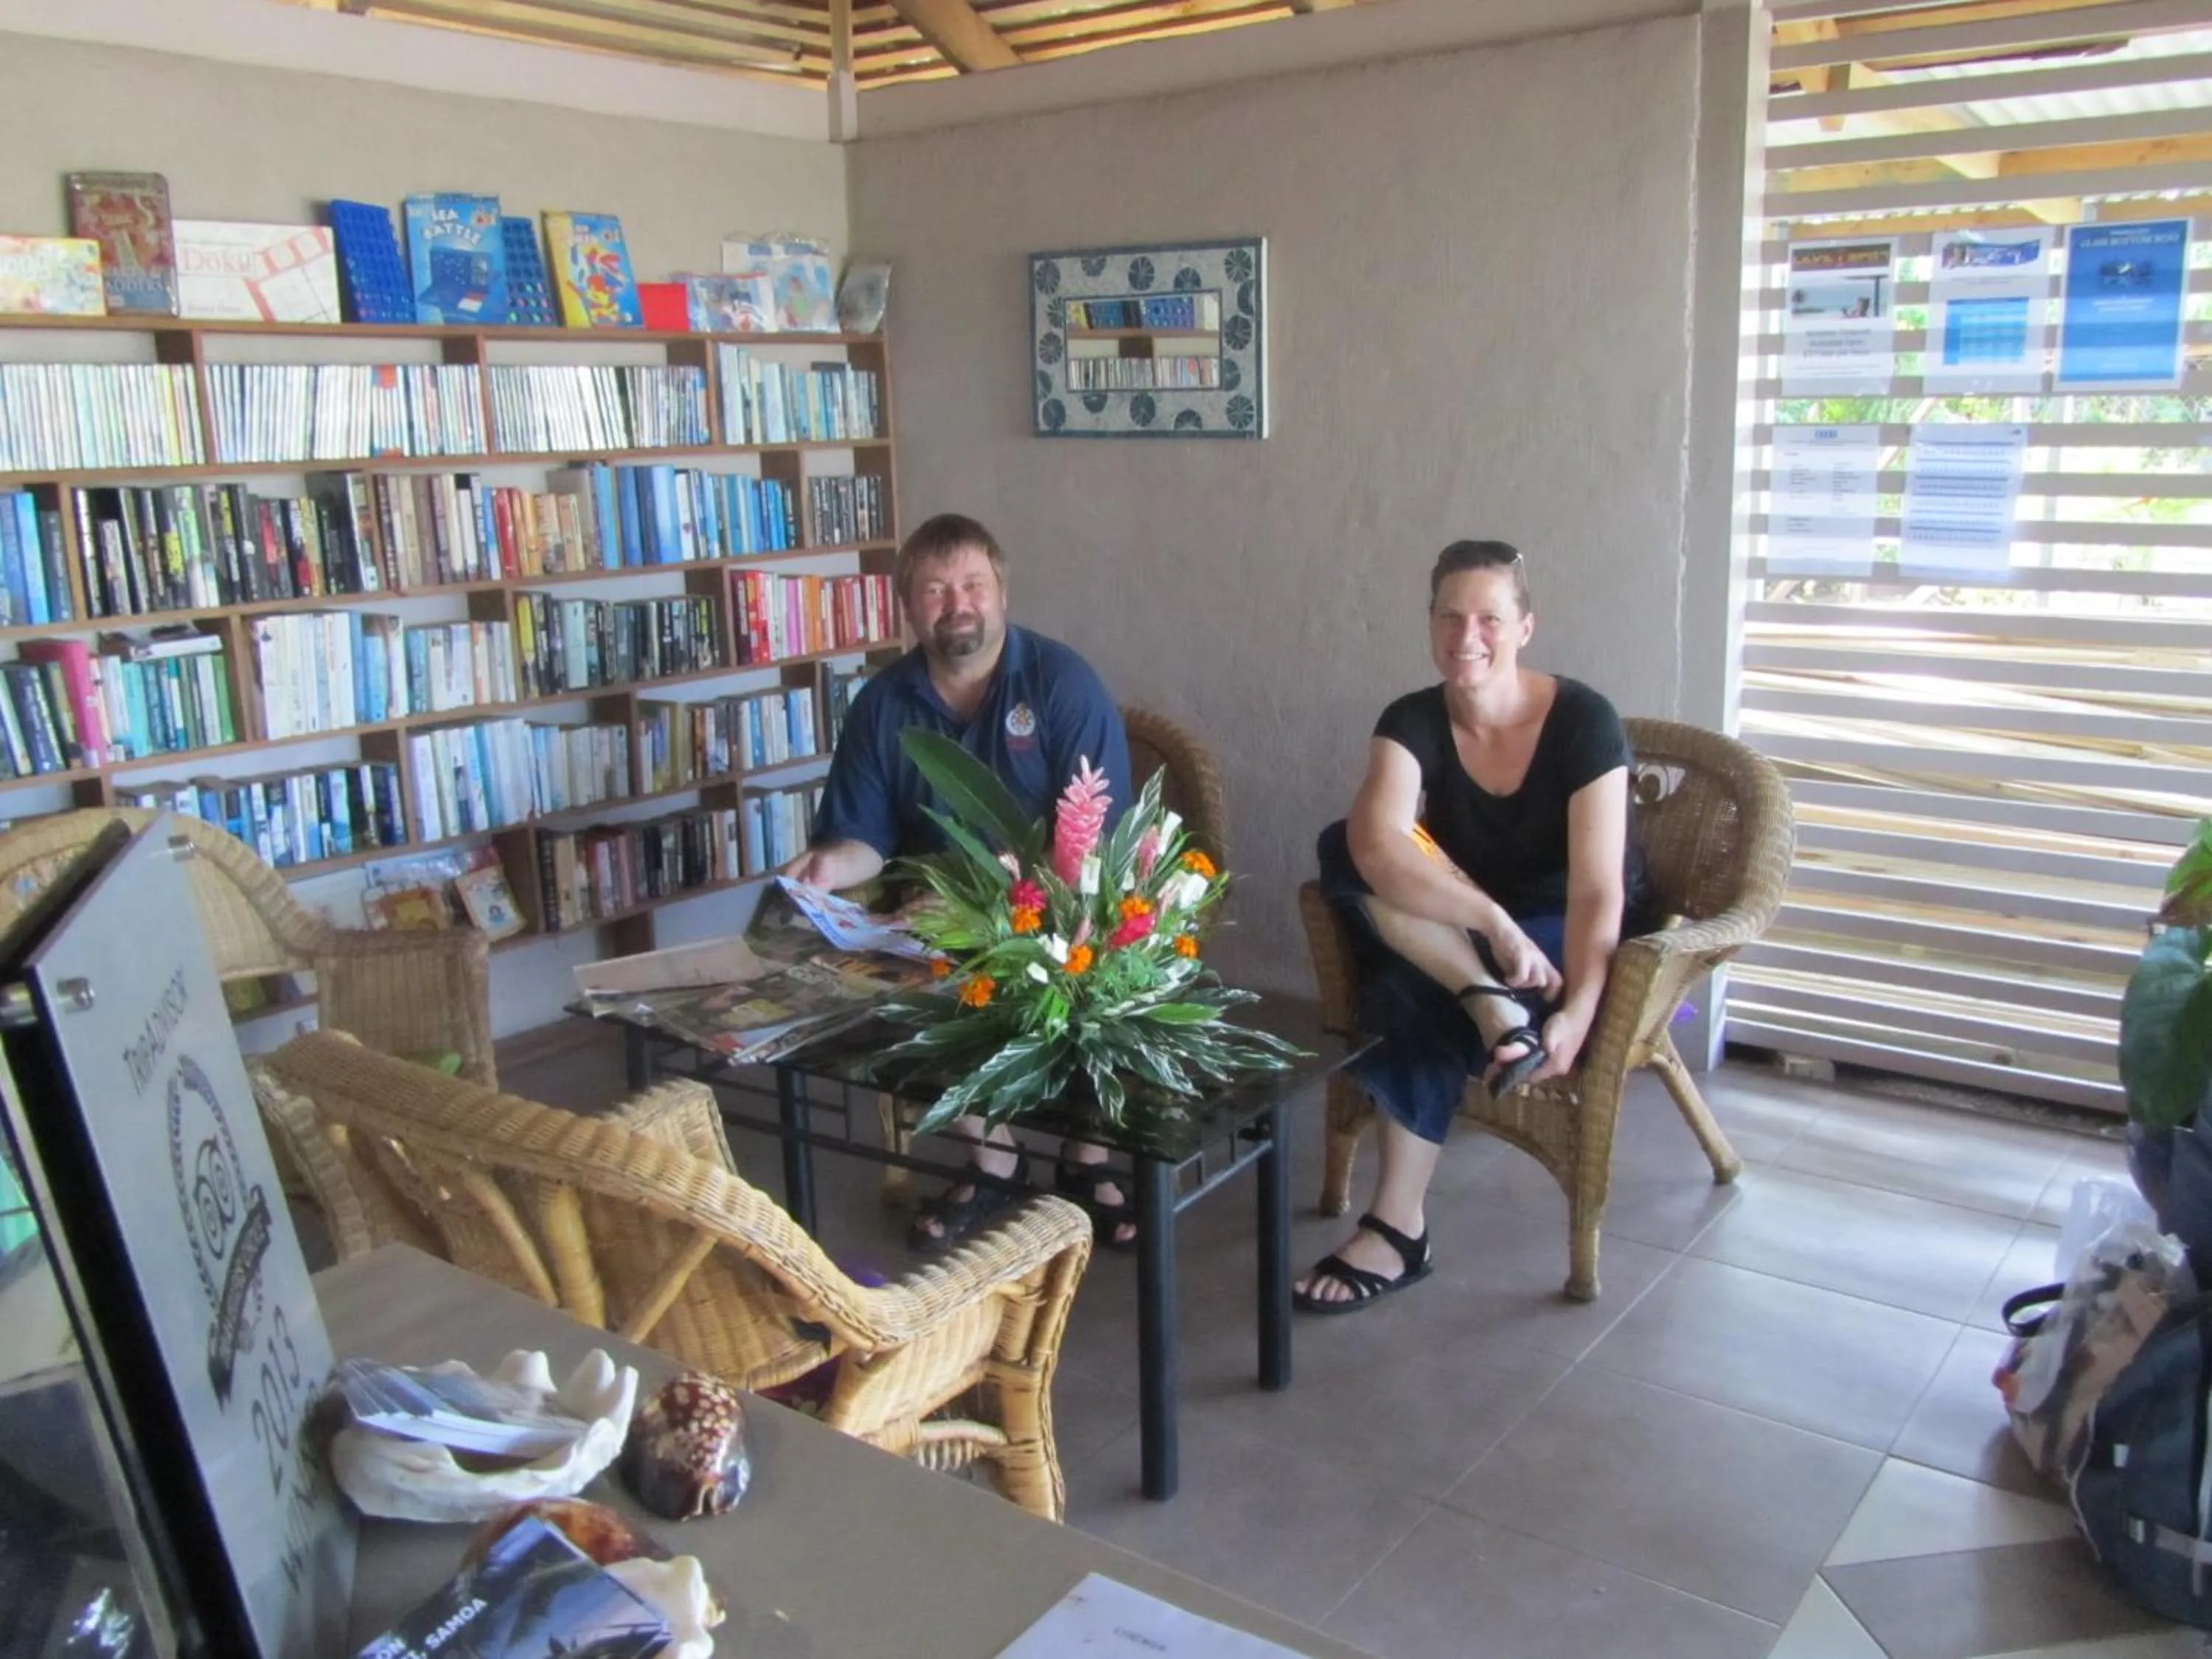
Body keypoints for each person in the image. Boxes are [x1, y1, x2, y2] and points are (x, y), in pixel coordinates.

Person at [1293, 539, 1653, 1313]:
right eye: (1451, 617)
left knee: (1402, 996)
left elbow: (1598, 893)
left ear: (1526, 627)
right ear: (1430, 624)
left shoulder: (1585, 722)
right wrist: (1491, 928)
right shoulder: (1412, 718)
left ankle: (1395, 1230)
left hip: (1562, 929)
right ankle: (1491, 1006)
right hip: (1474, 925)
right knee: (1345, 841)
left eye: (1490, 617)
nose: (1468, 637)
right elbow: (1378, 848)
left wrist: (1582, 1015)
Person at [781, 512, 1138, 1250]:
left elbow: (1099, 844)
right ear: (909, 606)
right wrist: (827, 867)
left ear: (1002, 593)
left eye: (973, 585)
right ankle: (995, 1159)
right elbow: (864, 839)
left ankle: (1085, 1159)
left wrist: (998, 899)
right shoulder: (882, 706)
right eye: (937, 590)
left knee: (1111, 952)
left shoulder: (1062, 684)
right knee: (901, 979)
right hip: (930, 919)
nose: (959, 605)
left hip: (1062, 907)